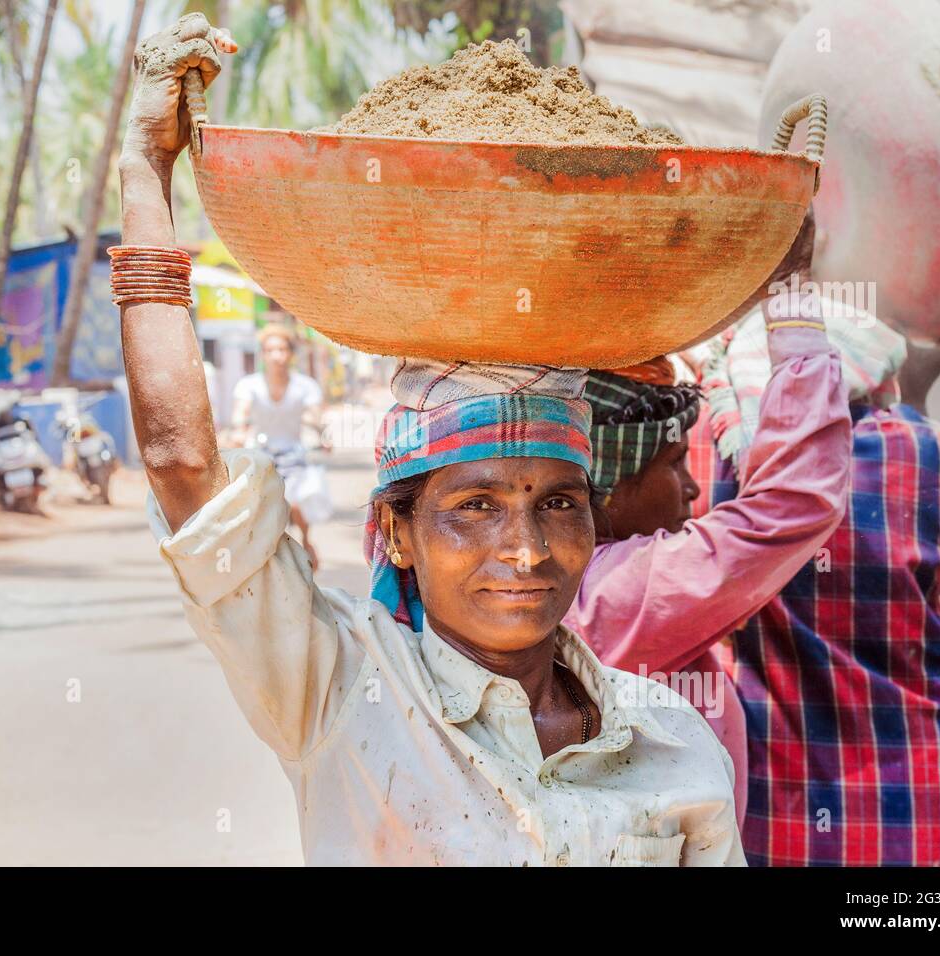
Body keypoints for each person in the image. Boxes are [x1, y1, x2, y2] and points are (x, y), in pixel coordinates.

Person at [116, 13, 743, 866]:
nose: (524, 551)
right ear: (397, 536)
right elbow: (180, 464)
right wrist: (146, 169)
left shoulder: (673, 741)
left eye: (557, 504)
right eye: (474, 506)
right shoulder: (341, 690)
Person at [560, 215, 852, 826]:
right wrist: (790, 293)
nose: (693, 485)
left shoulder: (550, 586)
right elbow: (793, 503)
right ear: (603, 489)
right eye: (671, 464)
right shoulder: (621, 592)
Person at [691, 303, 940, 866]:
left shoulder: (710, 450)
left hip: (769, 800)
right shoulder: (930, 449)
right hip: (922, 792)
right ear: (869, 370)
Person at [229, 324, 332, 568]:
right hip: (261, 456)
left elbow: (315, 416)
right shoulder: (249, 385)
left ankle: (306, 541)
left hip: (294, 454)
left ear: (290, 353)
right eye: (270, 350)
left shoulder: (305, 386)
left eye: (282, 349)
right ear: (262, 354)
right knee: (259, 508)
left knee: (296, 502)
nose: (277, 355)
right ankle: (263, 554)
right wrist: (237, 431)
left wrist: (322, 435)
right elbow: (240, 414)